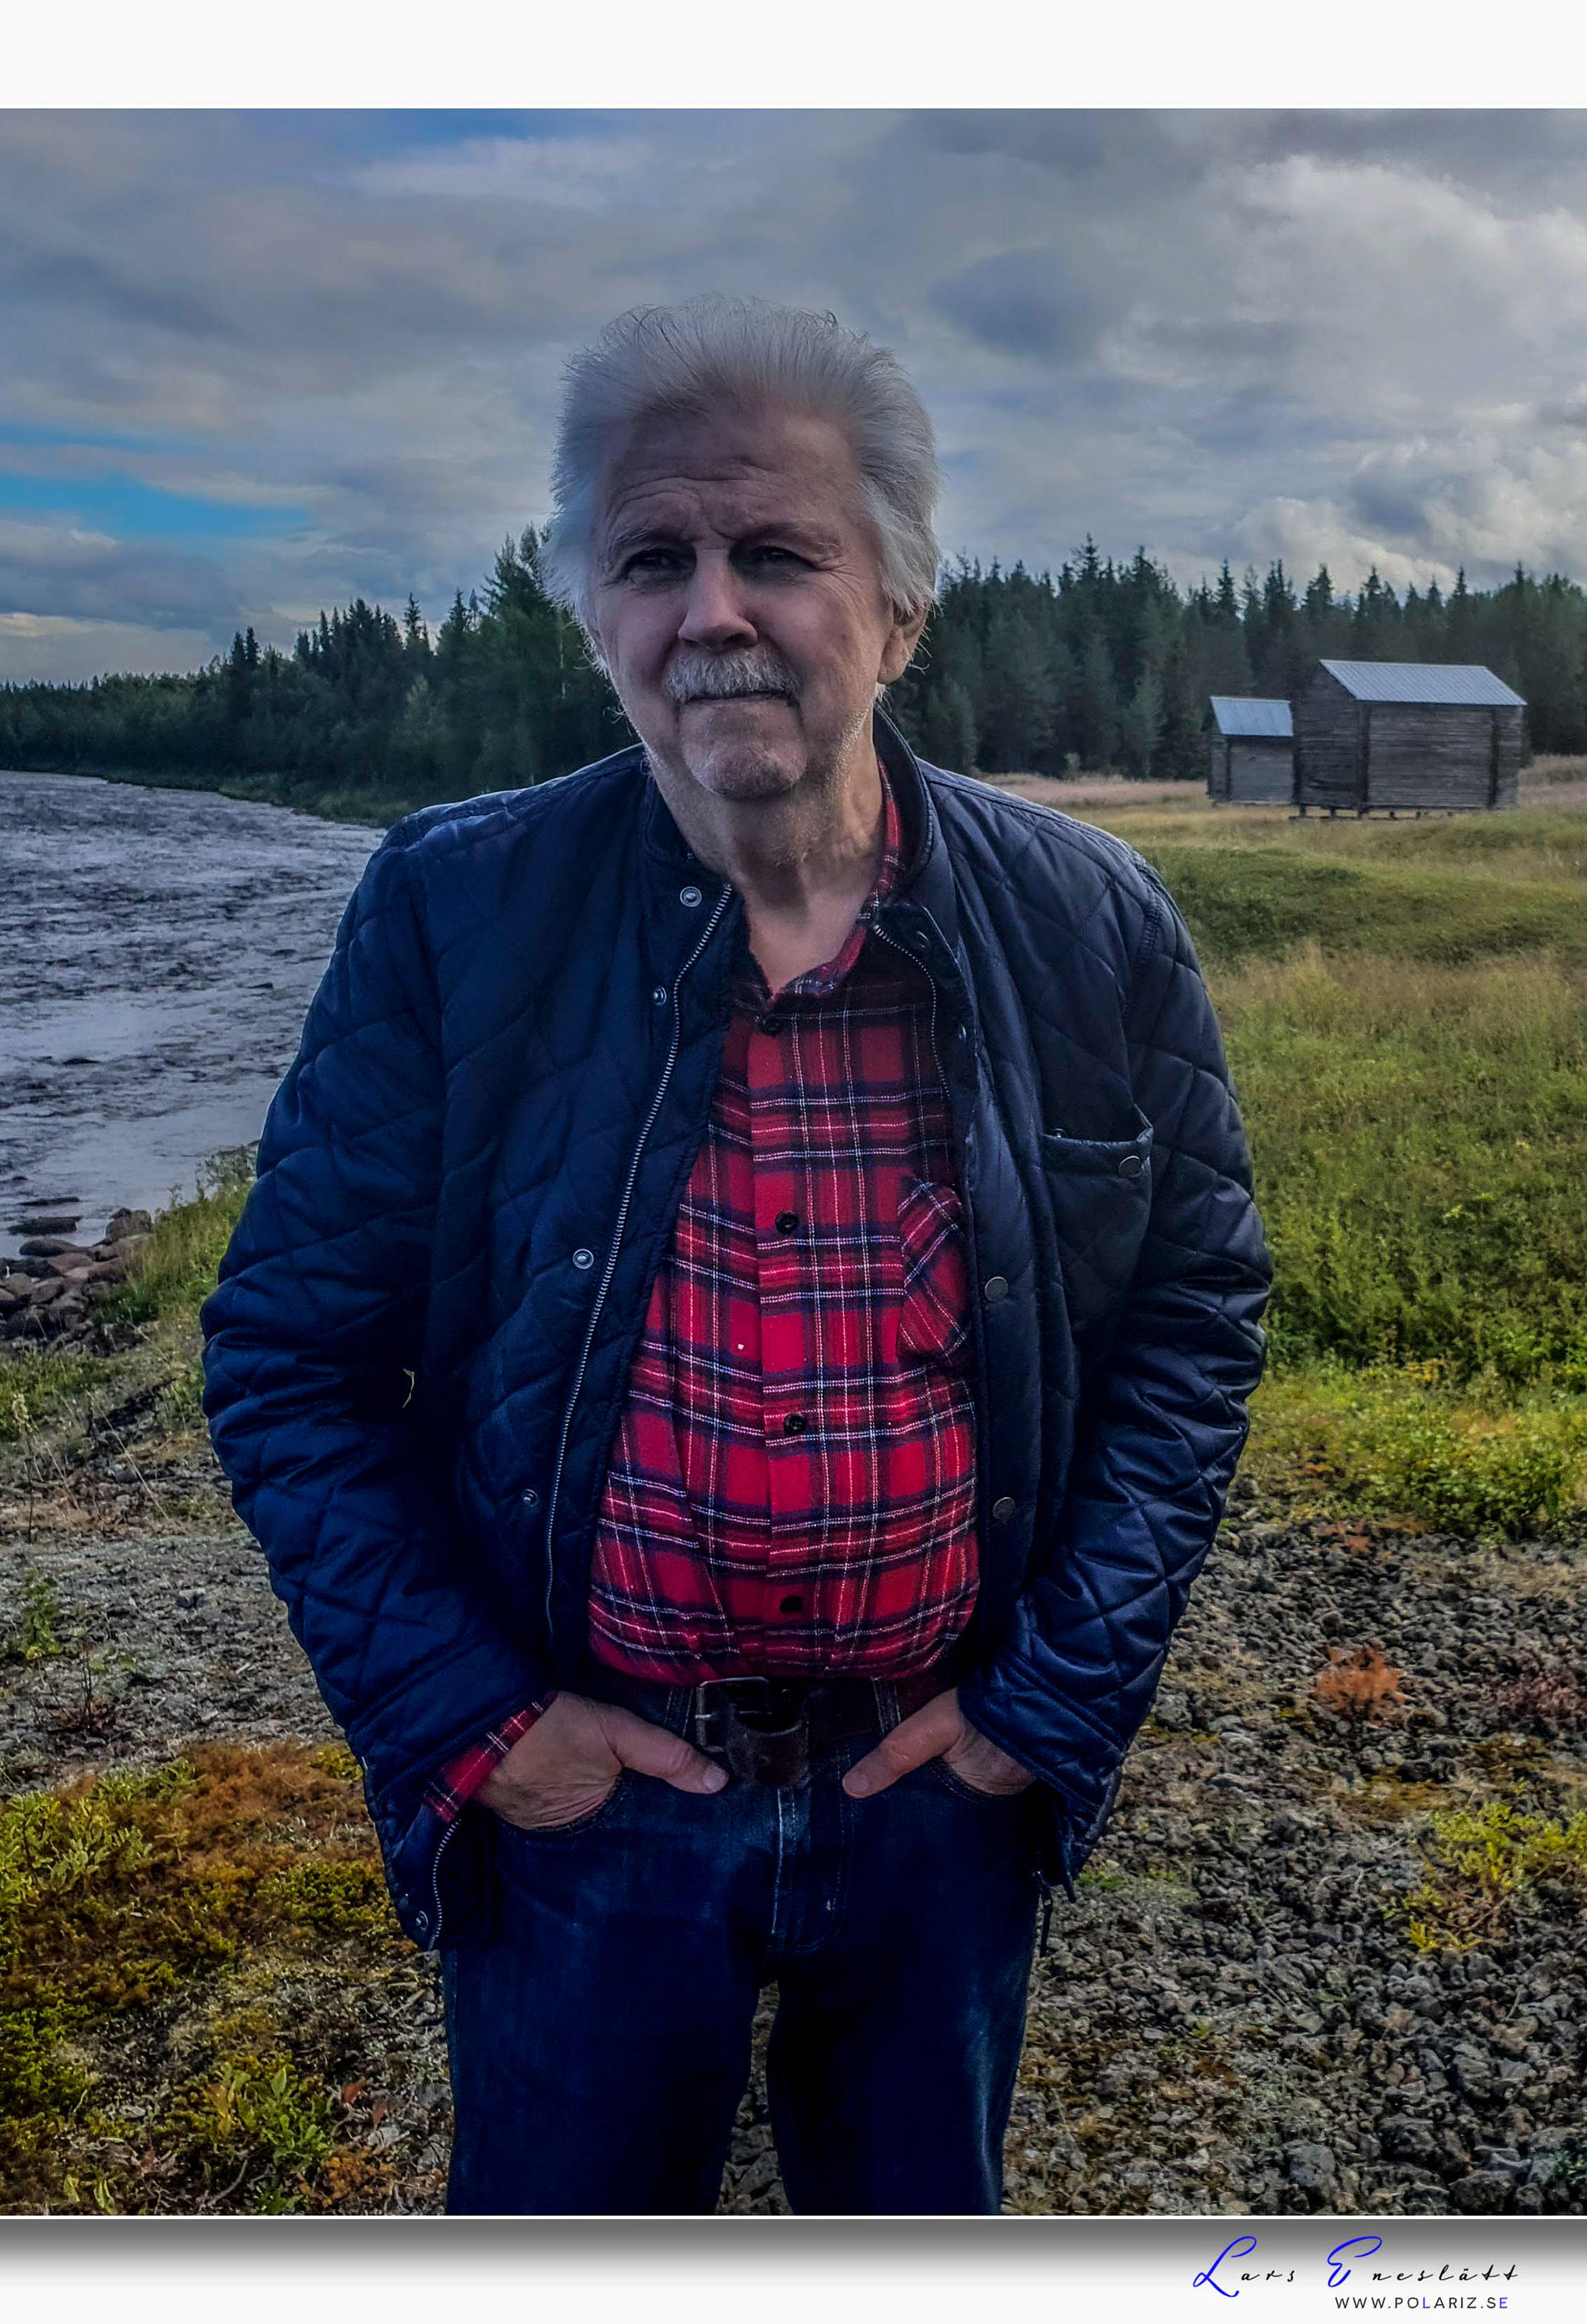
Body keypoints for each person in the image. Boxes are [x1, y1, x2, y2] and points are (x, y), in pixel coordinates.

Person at [199, 296, 1271, 2215]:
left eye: (777, 552)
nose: (711, 613)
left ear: (901, 610)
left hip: (940, 1797)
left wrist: (1046, 1708)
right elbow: (290, 1359)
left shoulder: (1089, 920)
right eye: (651, 561)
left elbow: (1192, 1322)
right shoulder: (455, 909)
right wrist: (473, 1726)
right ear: (595, 620)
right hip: (589, 1813)